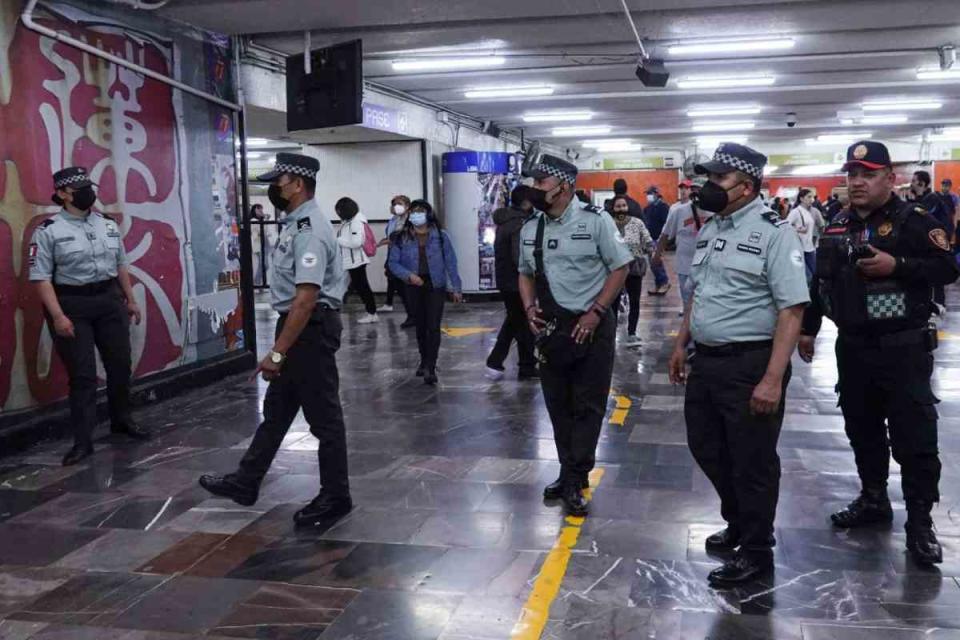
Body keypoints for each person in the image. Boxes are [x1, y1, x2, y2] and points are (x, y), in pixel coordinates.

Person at [799, 141, 960, 566]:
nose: (857, 182)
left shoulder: (914, 221)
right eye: (852, 174)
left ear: (890, 178)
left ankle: (921, 522)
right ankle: (873, 499)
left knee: (914, 438)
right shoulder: (836, 224)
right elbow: (821, 283)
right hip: (852, 349)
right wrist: (808, 329)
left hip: (903, 349)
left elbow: (949, 267)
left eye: (867, 174)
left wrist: (898, 266)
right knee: (862, 428)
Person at [668, 143, 809, 587]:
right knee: (707, 447)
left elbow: (792, 309)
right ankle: (740, 521)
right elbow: (699, 291)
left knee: (752, 461)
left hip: (751, 363)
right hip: (707, 361)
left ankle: (756, 551)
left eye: (718, 180)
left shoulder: (774, 232)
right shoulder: (713, 228)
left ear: (746, 187)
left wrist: (773, 377)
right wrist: (680, 341)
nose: (708, 187)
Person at [199, 153, 352, 526]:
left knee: (325, 420)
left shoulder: (309, 229)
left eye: (279, 180)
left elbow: (305, 298)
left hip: (309, 330)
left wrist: (278, 353)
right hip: (300, 326)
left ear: (298, 184)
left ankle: (336, 497)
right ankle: (246, 481)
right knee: (278, 412)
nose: (275, 187)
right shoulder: (295, 224)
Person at [518, 155, 633, 517]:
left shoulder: (596, 222)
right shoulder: (530, 228)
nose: (535, 190)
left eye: (541, 183)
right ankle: (569, 471)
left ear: (563, 186)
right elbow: (524, 272)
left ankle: (576, 477)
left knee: (588, 406)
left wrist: (597, 311)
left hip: (592, 327)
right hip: (552, 329)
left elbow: (621, 266)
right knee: (557, 406)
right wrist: (528, 307)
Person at [28, 167, 148, 466]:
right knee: (82, 376)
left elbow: (120, 263)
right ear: (62, 194)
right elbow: (41, 277)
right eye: (79, 188)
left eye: (88, 187)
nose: (87, 193)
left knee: (120, 365)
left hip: (109, 300)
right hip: (71, 304)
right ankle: (83, 441)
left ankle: (122, 420)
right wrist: (57, 316)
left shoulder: (106, 224)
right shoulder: (48, 231)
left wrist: (130, 300)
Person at [387, 199, 463, 385]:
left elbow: (451, 262)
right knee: (420, 326)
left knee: (433, 325)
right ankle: (423, 359)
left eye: (421, 211)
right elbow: (393, 263)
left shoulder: (441, 236)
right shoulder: (401, 237)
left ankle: (431, 365)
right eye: (414, 211)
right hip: (413, 285)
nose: (416, 215)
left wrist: (456, 287)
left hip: (435, 285)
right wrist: (409, 276)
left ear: (429, 214)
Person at [486, 185, 538, 380]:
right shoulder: (519, 224)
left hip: (506, 281)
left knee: (515, 321)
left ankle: (496, 359)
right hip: (518, 282)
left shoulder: (506, 221)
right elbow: (520, 258)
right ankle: (526, 366)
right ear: (526, 202)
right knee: (524, 324)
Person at [654, 180, 713, 313]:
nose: (696, 193)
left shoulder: (715, 212)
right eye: (693, 189)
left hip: (708, 265)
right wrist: (657, 255)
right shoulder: (678, 212)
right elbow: (665, 234)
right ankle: (689, 327)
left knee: (706, 300)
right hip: (684, 264)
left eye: (699, 190)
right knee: (687, 299)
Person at [611, 196, 655, 346]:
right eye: (618, 206)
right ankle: (610, 334)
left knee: (634, 301)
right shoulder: (607, 224)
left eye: (623, 205)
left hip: (634, 267)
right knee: (613, 302)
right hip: (614, 268)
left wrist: (653, 253)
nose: (621, 208)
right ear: (613, 208)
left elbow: (648, 240)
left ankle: (632, 333)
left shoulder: (637, 223)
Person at [335, 197, 378, 324]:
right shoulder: (349, 221)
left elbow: (356, 243)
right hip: (350, 261)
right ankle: (370, 312)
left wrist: (337, 240)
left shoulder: (356, 223)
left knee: (363, 288)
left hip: (356, 262)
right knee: (354, 287)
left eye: (338, 210)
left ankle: (372, 313)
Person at [378, 195, 414, 326]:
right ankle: (411, 314)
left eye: (399, 203)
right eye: (394, 204)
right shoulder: (394, 219)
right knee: (397, 284)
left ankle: (413, 315)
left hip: (406, 257)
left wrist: (390, 240)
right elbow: (391, 234)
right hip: (393, 255)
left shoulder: (412, 219)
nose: (396, 206)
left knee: (406, 286)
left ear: (407, 205)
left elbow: (407, 236)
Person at [787, 189, 825, 279]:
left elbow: (820, 225)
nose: (812, 199)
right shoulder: (795, 212)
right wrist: (797, 229)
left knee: (816, 273)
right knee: (807, 276)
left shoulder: (811, 211)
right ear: (801, 199)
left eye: (812, 197)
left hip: (810, 247)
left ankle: (813, 292)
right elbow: (785, 227)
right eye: (809, 197)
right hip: (798, 248)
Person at [643, 186, 671, 295]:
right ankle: (658, 284)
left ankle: (664, 282)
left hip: (658, 239)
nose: (648, 196)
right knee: (652, 263)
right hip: (649, 239)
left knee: (657, 261)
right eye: (647, 194)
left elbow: (667, 224)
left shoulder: (663, 207)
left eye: (650, 193)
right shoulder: (647, 208)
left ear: (656, 194)